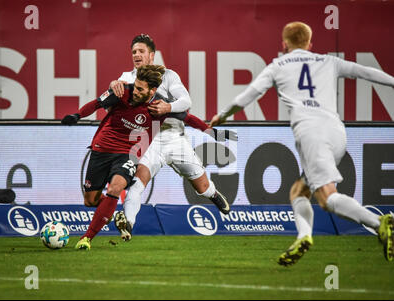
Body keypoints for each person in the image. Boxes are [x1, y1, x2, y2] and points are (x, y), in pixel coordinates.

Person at [210, 21, 394, 265]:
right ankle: (304, 236)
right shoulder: (329, 61)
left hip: (311, 133)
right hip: (338, 133)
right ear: (310, 42)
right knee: (299, 190)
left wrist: (222, 115)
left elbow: (250, 94)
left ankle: (380, 222)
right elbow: (367, 72)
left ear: (283, 44)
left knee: (327, 198)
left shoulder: (278, 66)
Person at [62, 64, 235, 250]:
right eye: (135, 86)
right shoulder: (123, 91)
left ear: (152, 90)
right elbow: (97, 103)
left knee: (116, 187)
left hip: (127, 154)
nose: (135, 91)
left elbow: (188, 117)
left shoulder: (160, 105)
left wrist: (211, 132)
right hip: (101, 149)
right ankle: (108, 211)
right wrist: (77, 115)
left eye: (140, 89)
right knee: (90, 200)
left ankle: (87, 238)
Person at [110, 34, 234, 241]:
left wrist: (168, 106)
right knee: (137, 184)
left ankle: (213, 194)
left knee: (201, 187)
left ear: (152, 55)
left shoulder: (168, 76)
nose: (137, 55)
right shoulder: (127, 77)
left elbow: (186, 102)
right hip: (147, 139)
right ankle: (128, 225)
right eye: (134, 52)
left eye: (141, 51)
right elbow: (115, 91)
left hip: (174, 137)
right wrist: (114, 84)